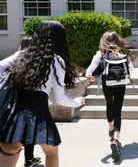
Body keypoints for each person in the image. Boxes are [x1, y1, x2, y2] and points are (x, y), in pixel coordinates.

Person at [0, 20, 85, 167]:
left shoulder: (21, 55)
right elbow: (60, 98)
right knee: (51, 153)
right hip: (39, 114)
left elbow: (1, 67)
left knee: (10, 152)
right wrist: (77, 102)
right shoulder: (56, 60)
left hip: (13, 116)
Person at [85, 31, 133, 162]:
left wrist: (89, 75)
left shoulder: (100, 54)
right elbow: (131, 69)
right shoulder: (123, 53)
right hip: (121, 84)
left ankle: (110, 127)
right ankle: (116, 139)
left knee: (109, 104)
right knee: (118, 110)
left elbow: (90, 69)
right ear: (118, 40)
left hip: (107, 84)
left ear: (104, 41)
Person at [17, 36, 42, 167]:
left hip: (14, 102)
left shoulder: (14, 61)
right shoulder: (33, 64)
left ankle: (29, 159)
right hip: (30, 104)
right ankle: (29, 159)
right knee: (29, 132)